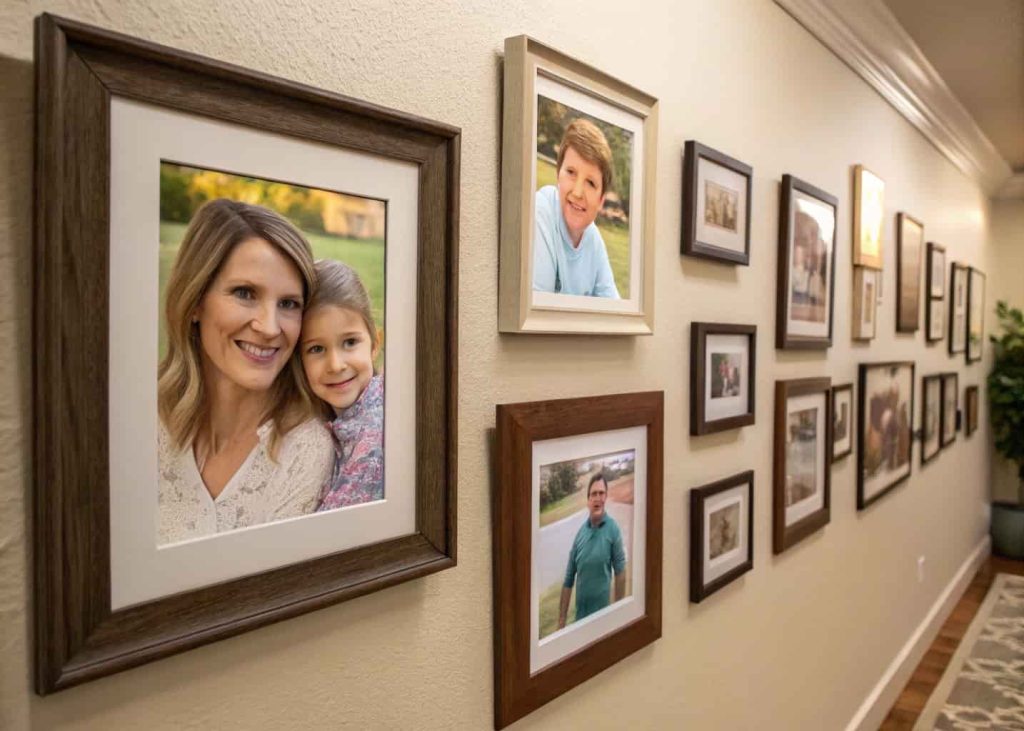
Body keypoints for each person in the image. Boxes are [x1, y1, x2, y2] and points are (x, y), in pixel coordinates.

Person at [157, 199, 334, 544]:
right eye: (245, 293)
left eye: (288, 304)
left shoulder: (304, 452)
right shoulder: (140, 417)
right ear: (195, 301)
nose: (269, 328)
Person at [300, 259, 384, 510]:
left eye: (349, 342)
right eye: (317, 348)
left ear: (375, 344)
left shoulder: (373, 438)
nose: (336, 365)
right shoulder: (327, 418)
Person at [533, 118, 620, 299]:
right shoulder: (540, 211)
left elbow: (617, 315)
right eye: (571, 172)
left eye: (590, 182)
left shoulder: (593, 239)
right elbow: (539, 315)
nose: (578, 192)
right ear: (558, 174)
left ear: (601, 200)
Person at [558, 472, 627, 628]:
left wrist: (618, 611)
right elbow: (568, 580)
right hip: (580, 620)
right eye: (594, 494)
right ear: (588, 500)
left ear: (606, 497)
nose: (598, 498)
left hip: (603, 620)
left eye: (601, 493)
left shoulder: (613, 530)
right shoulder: (580, 535)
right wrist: (561, 621)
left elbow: (620, 572)